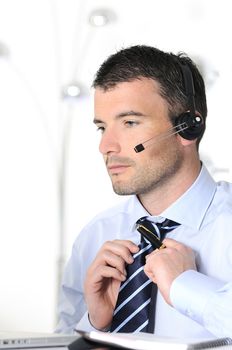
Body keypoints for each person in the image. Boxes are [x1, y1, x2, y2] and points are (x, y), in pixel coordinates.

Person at [56, 45, 232, 339]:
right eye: (102, 127)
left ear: (188, 127)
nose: (106, 146)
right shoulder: (94, 238)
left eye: (129, 123)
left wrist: (186, 287)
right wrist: (94, 325)